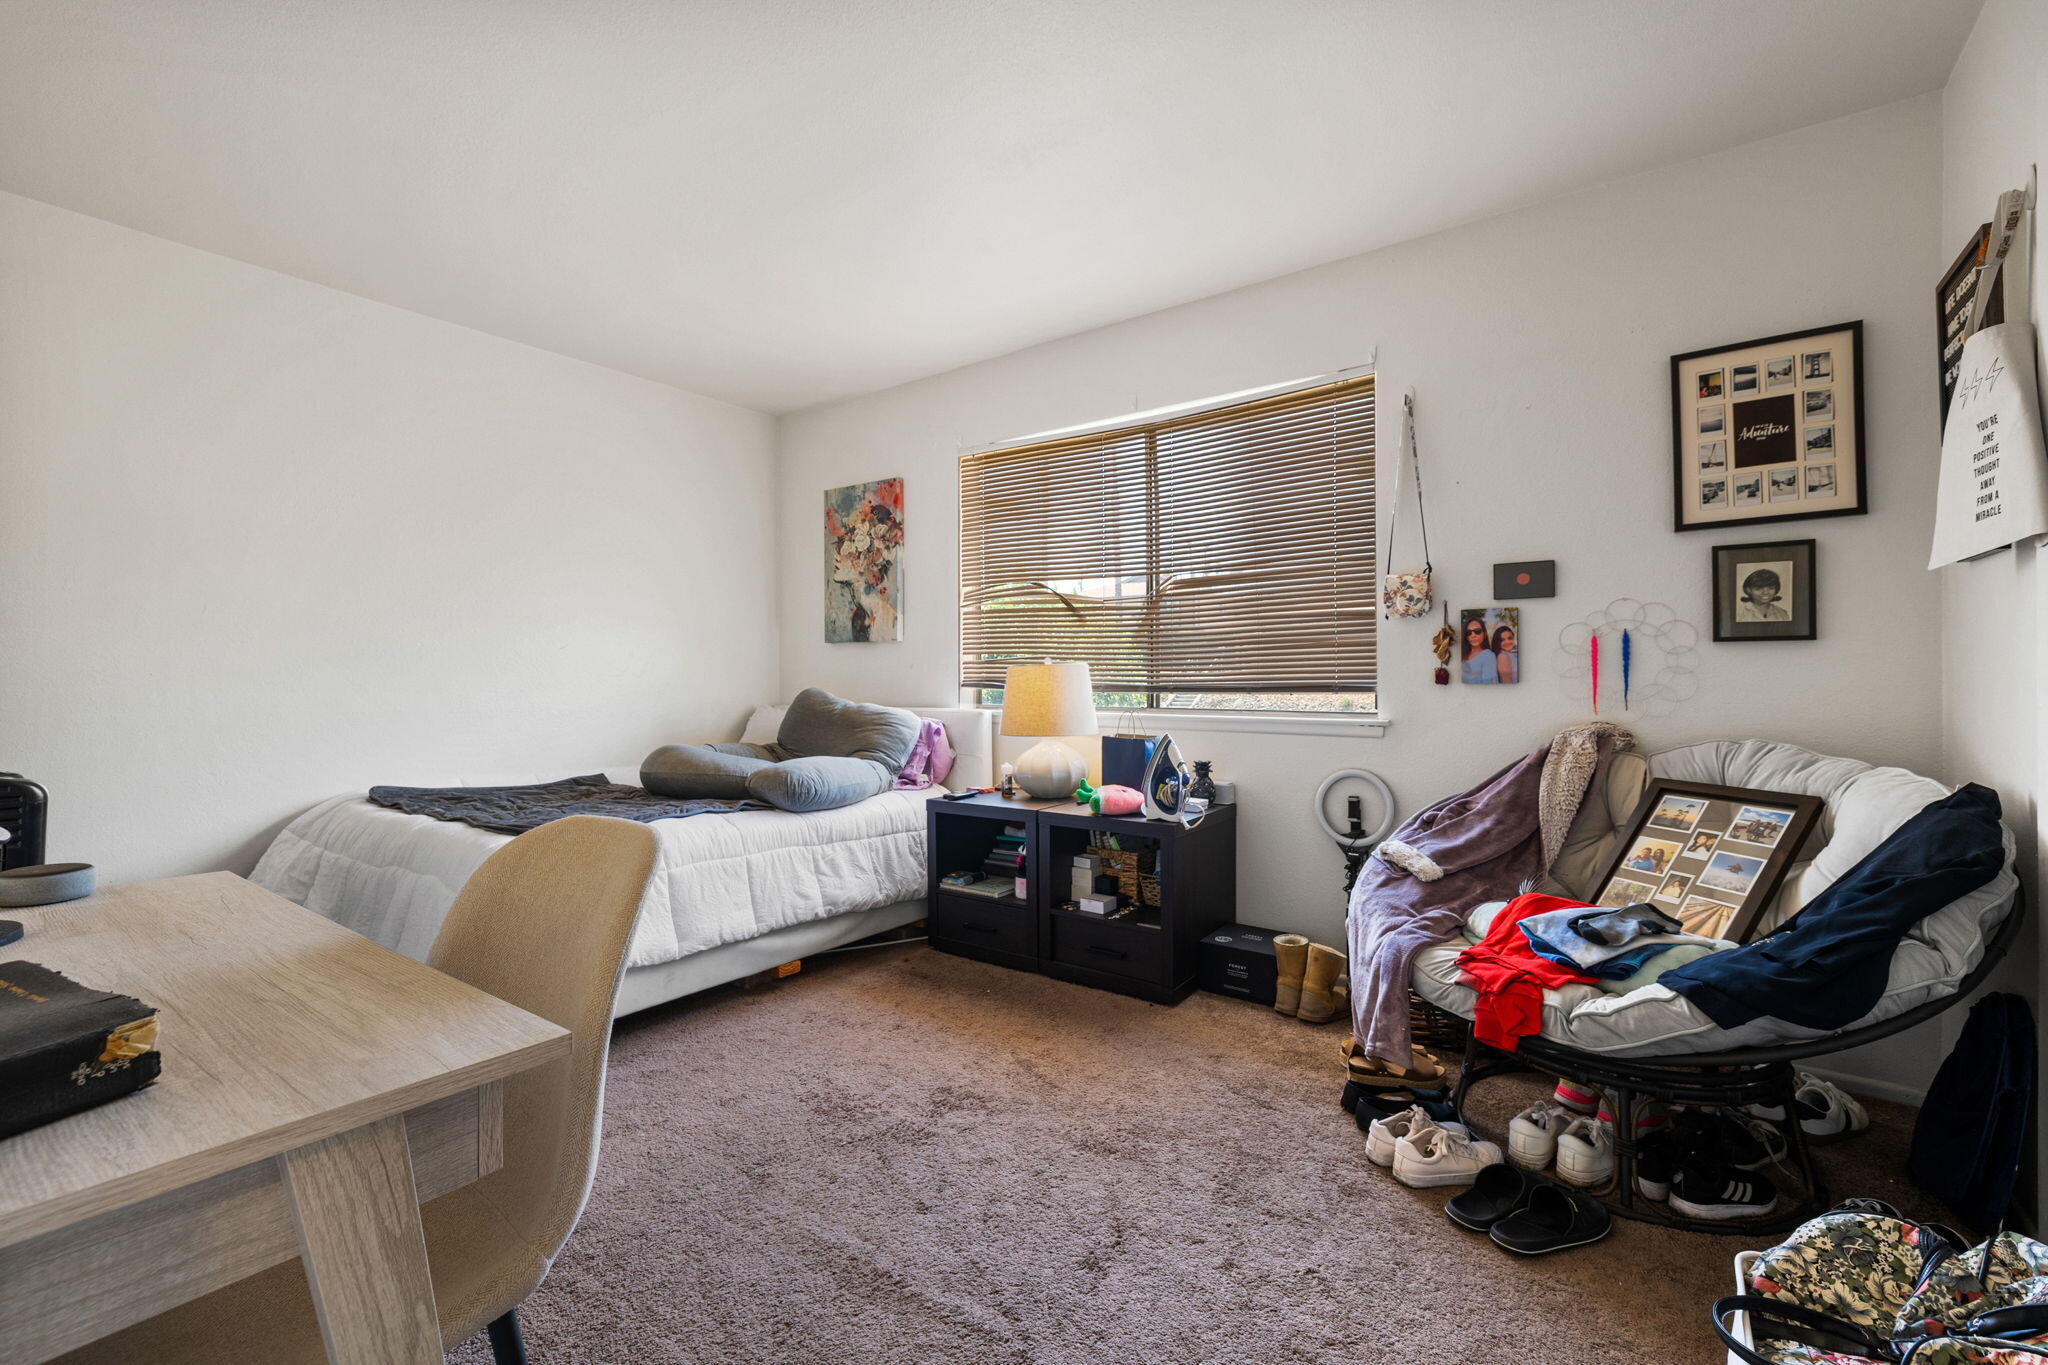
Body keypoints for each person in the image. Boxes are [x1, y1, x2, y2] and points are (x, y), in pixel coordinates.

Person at [1461, 615, 1498, 684]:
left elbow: (1489, 685)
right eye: (1469, 632)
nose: (1473, 635)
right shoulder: (1463, 654)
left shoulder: (1488, 655)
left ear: (1484, 634)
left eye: (1477, 631)